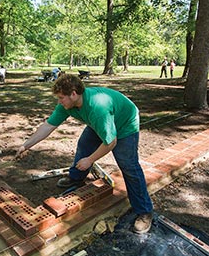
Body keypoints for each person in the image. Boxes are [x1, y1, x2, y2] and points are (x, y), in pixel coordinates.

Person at [16, 74, 154, 234]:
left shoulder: (97, 108)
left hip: (124, 123)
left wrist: (90, 160)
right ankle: (76, 179)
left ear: (73, 94)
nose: (59, 101)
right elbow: (48, 126)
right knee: (85, 144)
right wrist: (26, 145)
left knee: (128, 165)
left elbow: (111, 142)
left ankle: (144, 211)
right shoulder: (67, 105)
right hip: (102, 122)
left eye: (61, 98)